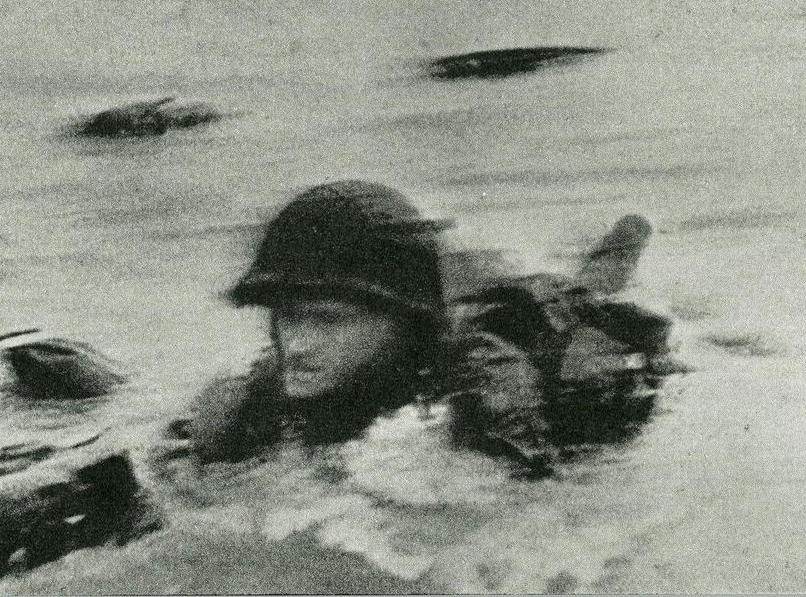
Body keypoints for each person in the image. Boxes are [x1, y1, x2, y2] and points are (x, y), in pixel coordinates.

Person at [151, 180, 679, 484]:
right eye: (289, 316)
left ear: (403, 324)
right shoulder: (268, 387)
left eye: (329, 320)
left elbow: (545, 515)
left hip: (545, 341)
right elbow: (179, 457)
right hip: (453, 307)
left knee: (587, 294)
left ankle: (628, 237)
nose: (299, 344)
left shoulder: (489, 387)